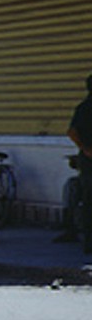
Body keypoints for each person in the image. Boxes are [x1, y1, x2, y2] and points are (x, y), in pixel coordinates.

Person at [67, 74, 92, 254]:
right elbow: (72, 131)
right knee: (89, 200)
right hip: (89, 161)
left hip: (87, 158)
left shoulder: (82, 107)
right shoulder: (85, 108)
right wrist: (86, 149)